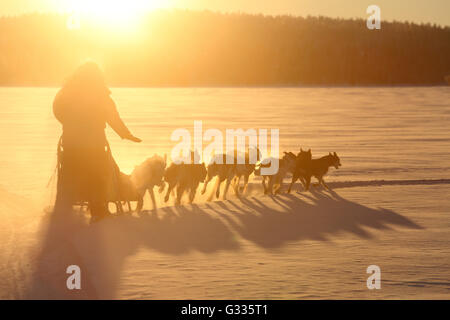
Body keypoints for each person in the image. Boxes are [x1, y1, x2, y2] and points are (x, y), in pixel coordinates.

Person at [53, 62, 141, 221]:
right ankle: (98, 208)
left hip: (71, 143)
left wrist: (69, 123)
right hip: (95, 143)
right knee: (99, 173)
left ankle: (64, 204)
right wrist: (125, 133)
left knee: (69, 172)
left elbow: (57, 109)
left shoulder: (67, 92)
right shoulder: (100, 94)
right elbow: (112, 117)